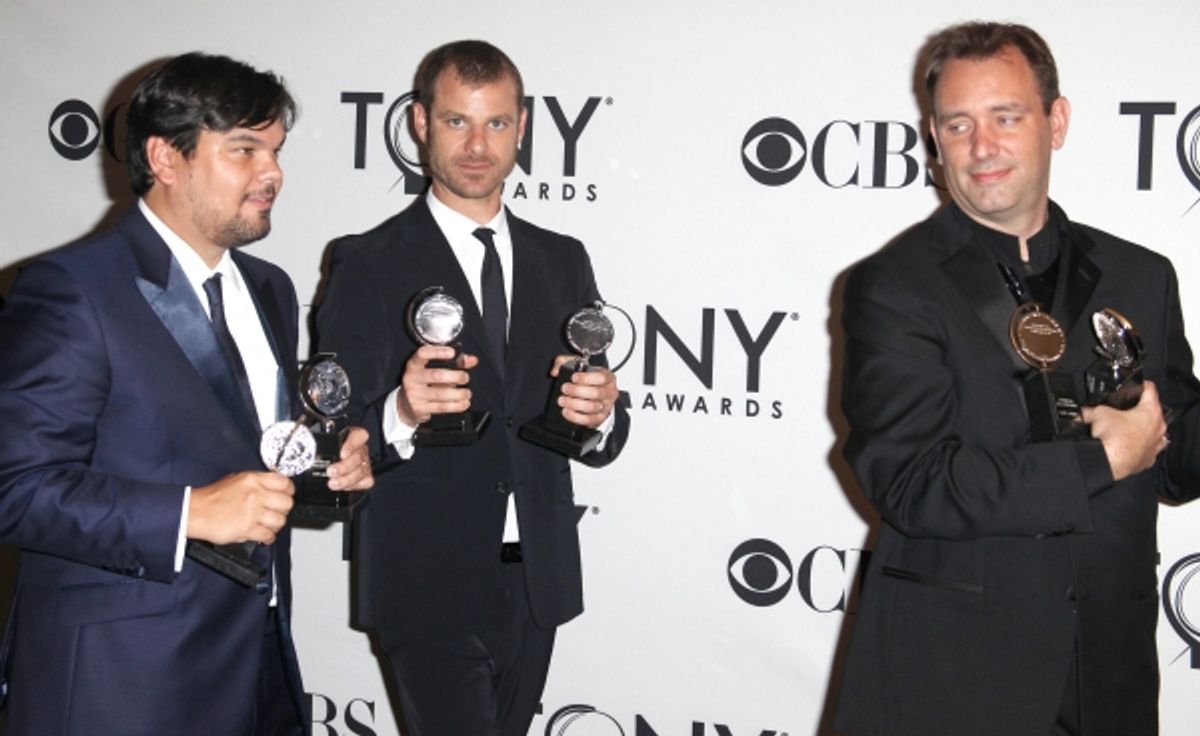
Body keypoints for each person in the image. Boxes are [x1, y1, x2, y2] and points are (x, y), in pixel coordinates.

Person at [834, 22, 1199, 736]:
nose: (982, 147)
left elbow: (1179, 462)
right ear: (934, 138)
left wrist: (1162, 440)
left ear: (1055, 122)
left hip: (1109, 679)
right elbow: (912, 482)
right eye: (958, 124)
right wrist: (1102, 460)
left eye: (1006, 117)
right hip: (956, 680)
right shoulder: (893, 287)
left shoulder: (1141, 274)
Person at [0, 52, 374, 735]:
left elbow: (237, 439)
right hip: (122, 685)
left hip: (255, 664)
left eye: (276, 151)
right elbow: (15, 489)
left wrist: (326, 461)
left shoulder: (270, 288)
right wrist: (189, 513)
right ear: (165, 159)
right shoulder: (71, 289)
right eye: (244, 150)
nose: (273, 173)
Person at [316, 40, 630, 736]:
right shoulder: (367, 261)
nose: (478, 145)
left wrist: (598, 413)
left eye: (495, 123)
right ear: (421, 124)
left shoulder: (562, 258)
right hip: (423, 583)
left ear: (522, 127)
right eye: (457, 121)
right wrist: (400, 411)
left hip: (536, 579)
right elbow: (330, 430)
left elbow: (598, 411)